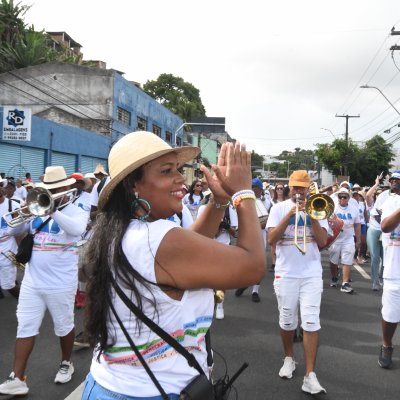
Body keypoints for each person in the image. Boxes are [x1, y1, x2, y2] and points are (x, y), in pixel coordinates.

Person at [81, 131, 265, 399]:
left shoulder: (123, 231)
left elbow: (193, 246)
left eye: (178, 169)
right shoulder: (156, 239)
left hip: (112, 386)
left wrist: (220, 201)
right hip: (150, 392)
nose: (180, 178)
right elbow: (252, 266)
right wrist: (244, 194)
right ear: (134, 185)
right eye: (167, 171)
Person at [0, 166, 88, 396]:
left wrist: (51, 210)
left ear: (66, 187)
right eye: (49, 189)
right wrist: (23, 212)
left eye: (57, 188)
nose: (53, 191)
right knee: (25, 327)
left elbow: (77, 230)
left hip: (61, 282)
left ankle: (66, 363)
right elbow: (10, 230)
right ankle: (17, 377)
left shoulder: (78, 208)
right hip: (32, 280)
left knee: (64, 326)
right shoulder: (35, 209)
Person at [267, 170, 328, 395]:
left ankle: (310, 375)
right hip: (286, 272)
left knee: (311, 321)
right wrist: (289, 215)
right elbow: (271, 240)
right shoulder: (278, 208)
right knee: (287, 320)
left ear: (308, 187)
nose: (299, 191)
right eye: (295, 187)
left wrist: (312, 217)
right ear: (289, 187)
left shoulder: (319, 208)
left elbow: (322, 242)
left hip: (311, 273)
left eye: (302, 187)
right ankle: (289, 357)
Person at [235, 177, 270, 302]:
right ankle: (244, 283)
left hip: (261, 235)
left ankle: (255, 291)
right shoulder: (243, 201)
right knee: (245, 262)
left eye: (256, 189)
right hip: (247, 234)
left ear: (261, 190)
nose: (255, 191)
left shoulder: (266, 202)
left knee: (259, 264)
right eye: (252, 188)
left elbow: (267, 221)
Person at [378, 192, 400, 368]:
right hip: (395, 270)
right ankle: (387, 344)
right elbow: (385, 226)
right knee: (391, 315)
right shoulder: (392, 202)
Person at [329, 187, 361, 293]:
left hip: (348, 238)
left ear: (348, 197)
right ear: (337, 197)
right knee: (333, 261)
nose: (342, 198)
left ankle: (345, 283)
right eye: (340, 196)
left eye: (345, 197)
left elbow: (357, 225)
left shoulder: (354, 208)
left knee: (347, 261)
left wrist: (358, 239)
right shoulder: (332, 208)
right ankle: (334, 277)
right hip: (335, 239)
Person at [0, 186, 21, 299]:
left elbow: (20, 231)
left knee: (8, 285)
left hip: (8, 246)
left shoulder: (12, 205)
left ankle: (25, 301)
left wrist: (20, 250)